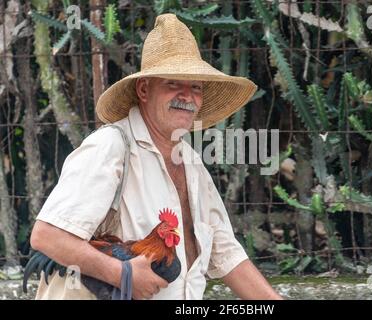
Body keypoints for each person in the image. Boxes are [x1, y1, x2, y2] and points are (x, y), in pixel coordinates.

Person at [30, 13, 282, 300]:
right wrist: (121, 275)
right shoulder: (111, 145)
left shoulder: (191, 162)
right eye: (174, 83)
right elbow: (46, 235)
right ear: (144, 89)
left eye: (196, 87)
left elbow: (225, 252)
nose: (187, 96)